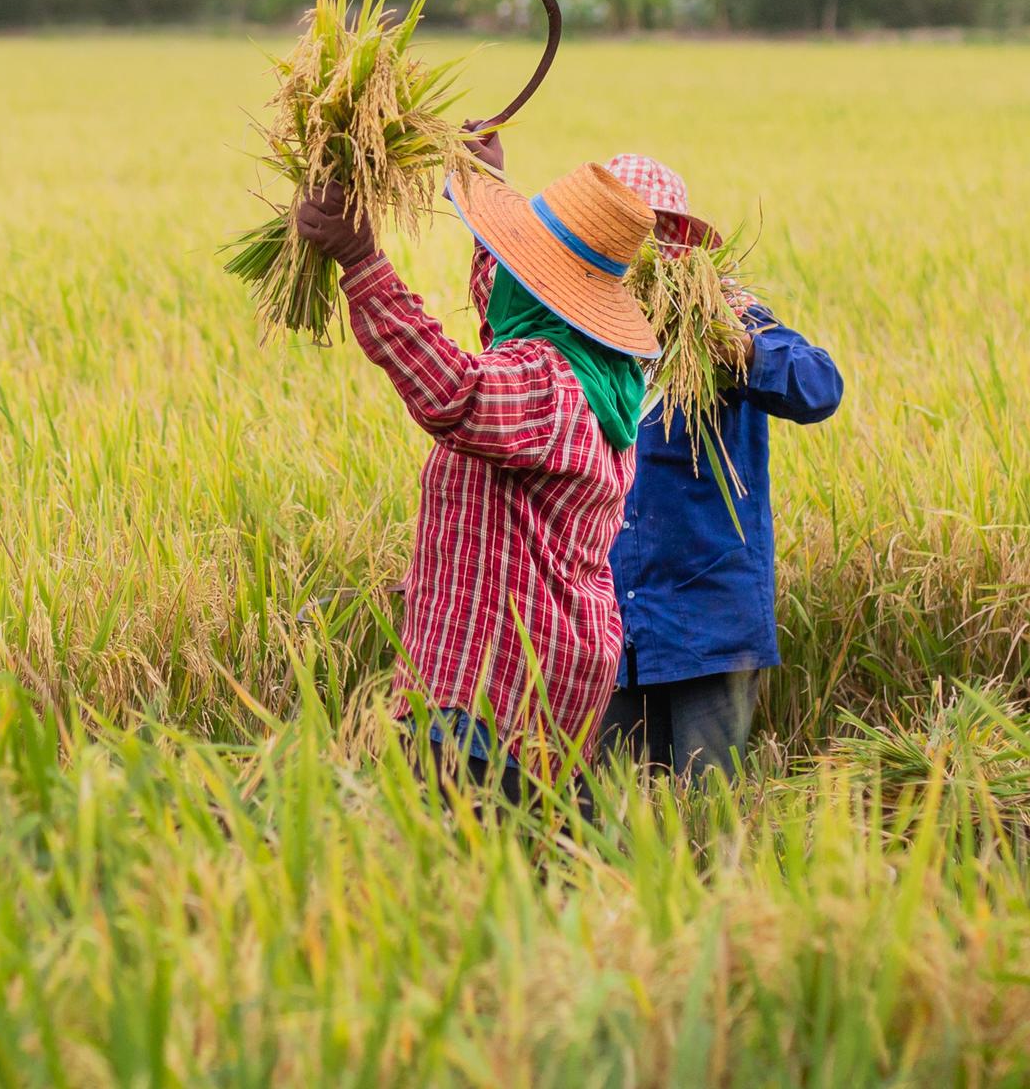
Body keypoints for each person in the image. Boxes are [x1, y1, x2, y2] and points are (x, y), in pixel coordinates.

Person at [295, 150, 657, 793]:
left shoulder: (548, 385)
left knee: (456, 875)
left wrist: (361, 264)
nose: (508, 273)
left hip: (495, 692)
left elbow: (455, 393)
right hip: (543, 685)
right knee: (525, 878)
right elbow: (506, 306)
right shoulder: (601, 376)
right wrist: (483, 180)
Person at [597, 152, 844, 781]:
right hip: (605, 629)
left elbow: (819, 387)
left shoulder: (726, 317)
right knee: (610, 814)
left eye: (648, 232)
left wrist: (739, 349)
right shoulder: (585, 333)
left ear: (678, 240)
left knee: (708, 812)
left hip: (707, 623)